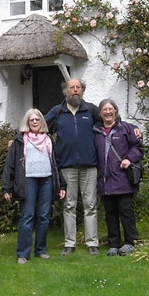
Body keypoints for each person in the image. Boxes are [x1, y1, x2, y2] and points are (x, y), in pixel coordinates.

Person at [45, 78, 101, 255]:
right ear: (66, 91)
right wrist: (17, 138)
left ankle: (92, 243)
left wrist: (131, 129)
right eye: (72, 87)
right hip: (67, 166)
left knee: (90, 205)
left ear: (82, 91)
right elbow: (39, 127)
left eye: (78, 87)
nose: (75, 90)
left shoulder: (91, 110)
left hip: (89, 166)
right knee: (69, 206)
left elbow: (111, 120)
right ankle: (70, 243)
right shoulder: (58, 112)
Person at [2, 109, 66, 264]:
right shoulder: (20, 140)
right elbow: (10, 165)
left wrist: (62, 185)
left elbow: (56, 164)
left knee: (44, 216)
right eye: (32, 120)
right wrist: (6, 188)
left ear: (42, 122)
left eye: (38, 119)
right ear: (27, 122)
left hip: (47, 180)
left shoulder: (49, 139)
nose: (35, 122)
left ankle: (40, 250)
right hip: (28, 180)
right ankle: (23, 254)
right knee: (27, 216)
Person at [93, 98, 143, 256]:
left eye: (110, 109)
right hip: (105, 180)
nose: (108, 112)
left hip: (122, 180)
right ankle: (113, 243)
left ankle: (130, 242)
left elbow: (138, 147)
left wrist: (129, 158)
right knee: (110, 213)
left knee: (126, 212)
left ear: (115, 111)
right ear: (100, 113)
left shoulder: (126, 128)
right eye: (104, 110)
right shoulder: (95, 131)